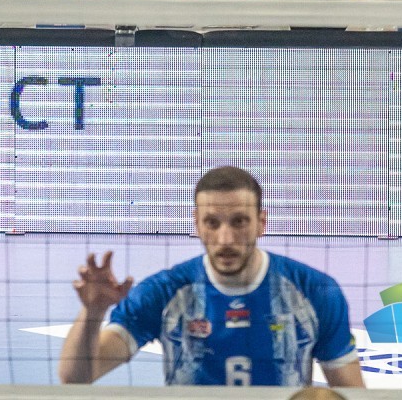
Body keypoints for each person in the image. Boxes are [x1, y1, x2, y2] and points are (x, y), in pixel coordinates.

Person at [58, 166, 364, 387]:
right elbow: (76, 377)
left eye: (239, 222)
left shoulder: (313, 291)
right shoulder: (165, 292)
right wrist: (93, 313)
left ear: (262, 222)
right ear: (197, 223)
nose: (225, 238)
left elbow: (353, 394)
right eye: (212, 223)